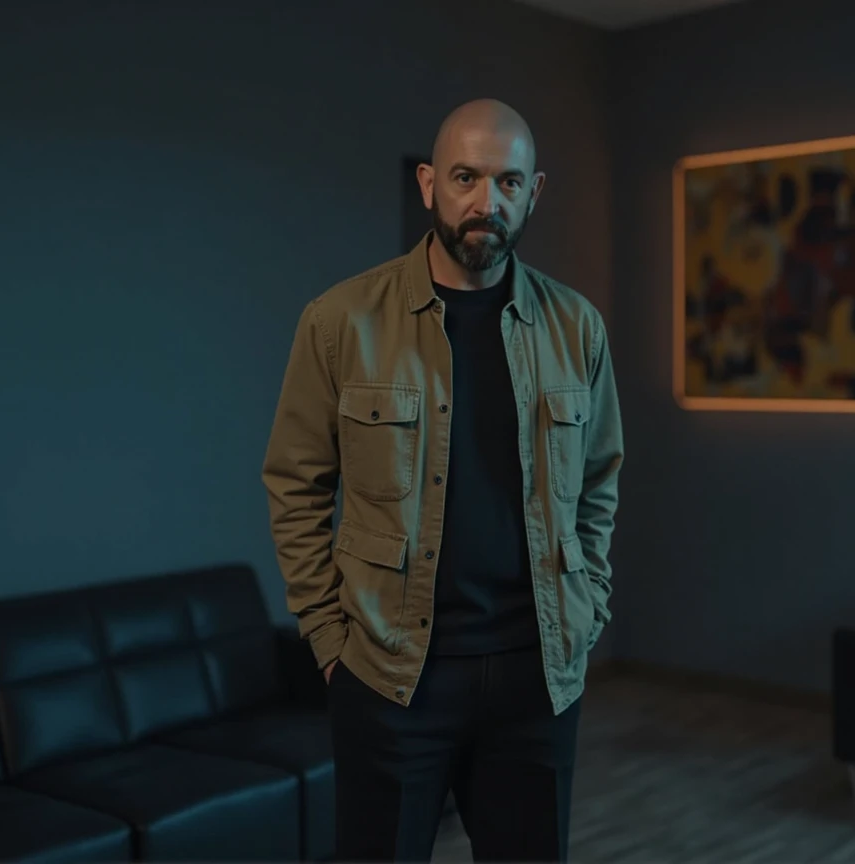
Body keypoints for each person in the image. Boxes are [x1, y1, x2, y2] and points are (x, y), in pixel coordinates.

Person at [262, 97, 623, 863]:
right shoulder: (340, 321)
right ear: (429, 184)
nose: (485, 202)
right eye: (465, 177)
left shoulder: (577, 329)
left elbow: (599, 481)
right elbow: (295, 485)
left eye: (508, 182)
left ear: (535, 192)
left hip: (537, 675)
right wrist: (330, 639)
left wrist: (587, 606)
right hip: (393, 677)